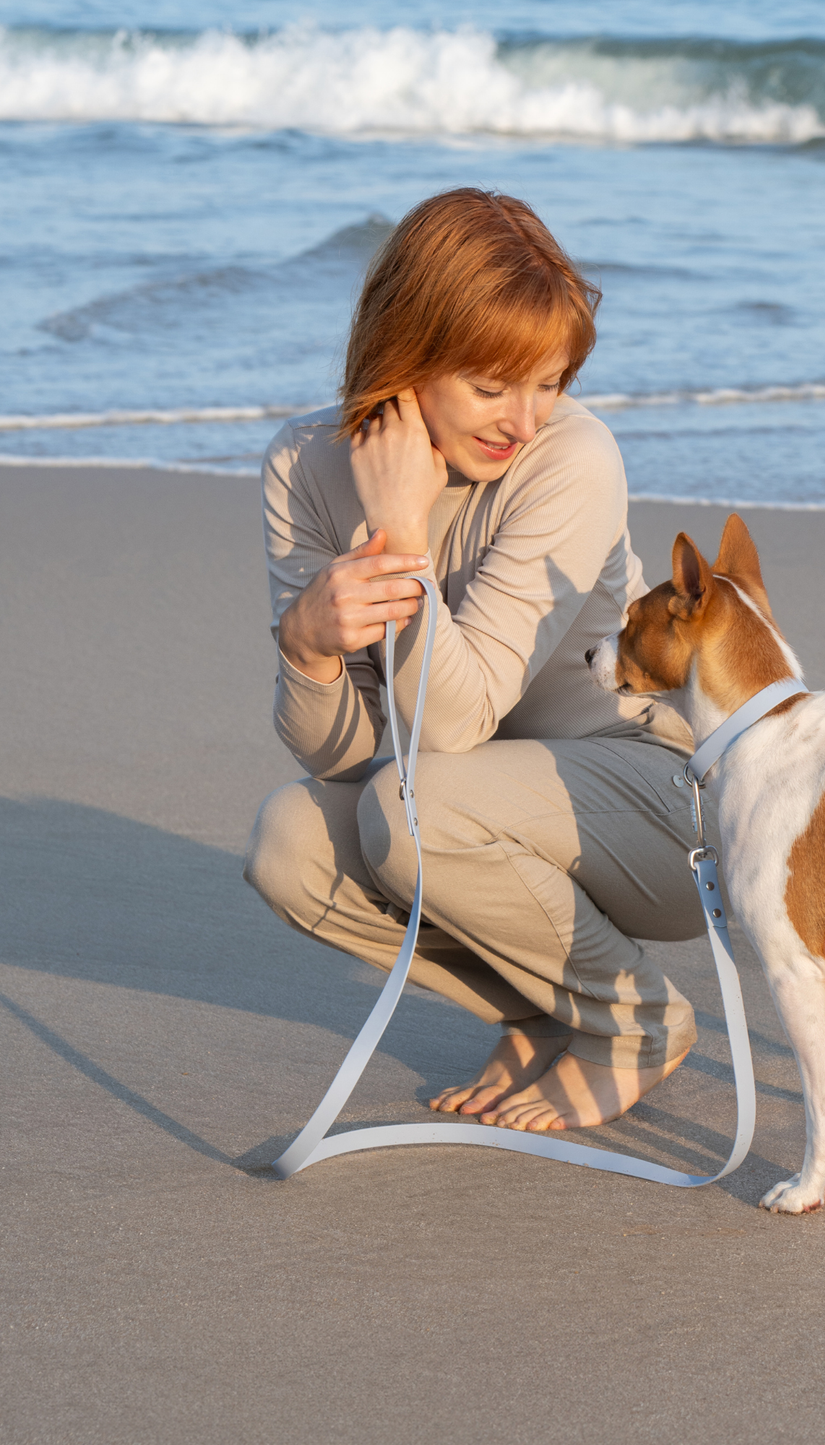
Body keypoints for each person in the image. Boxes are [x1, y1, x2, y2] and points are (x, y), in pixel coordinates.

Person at [243, 188, 704, 1131]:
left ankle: (635, 1021)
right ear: (403, 356)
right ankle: (548, 1007)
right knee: (291, 844)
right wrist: (308, 650)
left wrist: (401, 532)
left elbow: (449, 728)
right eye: (492, 386)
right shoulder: (303, 467)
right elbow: (341, 760)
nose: (523, 419)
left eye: (549, 381)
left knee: (407, 812)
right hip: (460, 812)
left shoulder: (574, 460)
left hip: (649, 811)